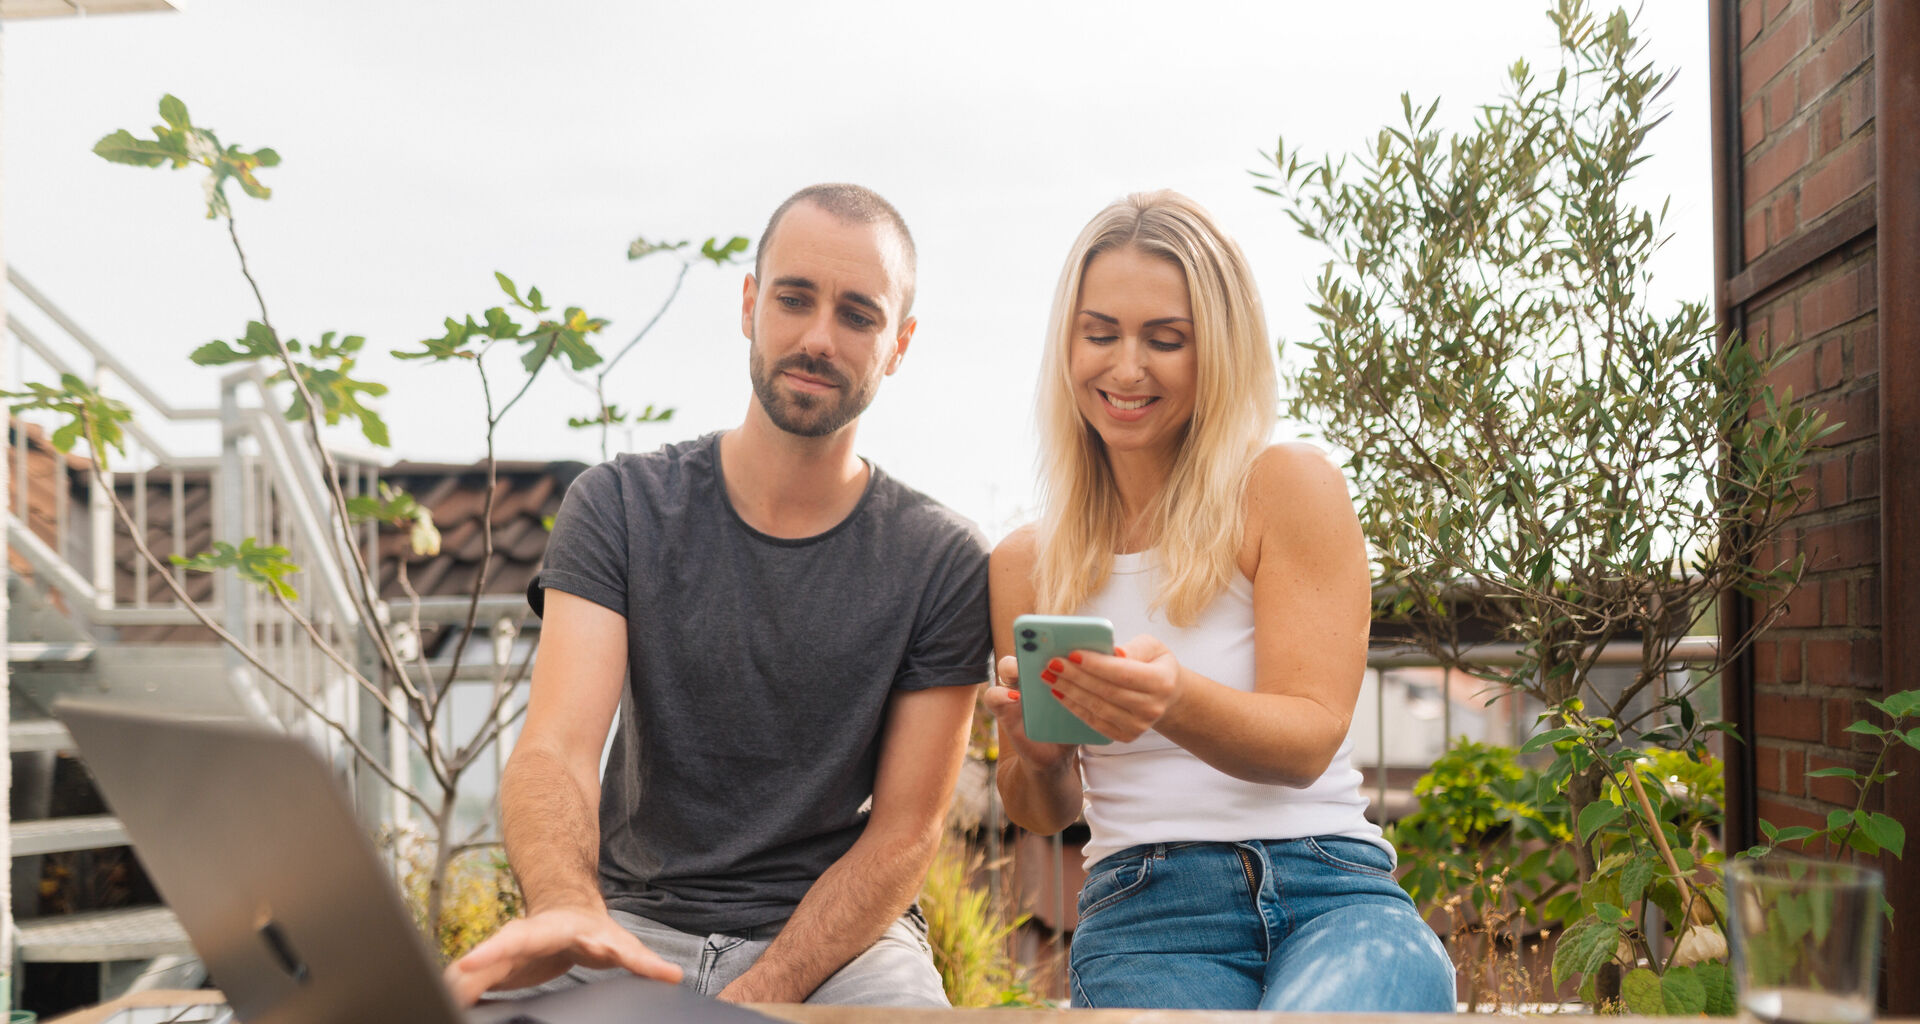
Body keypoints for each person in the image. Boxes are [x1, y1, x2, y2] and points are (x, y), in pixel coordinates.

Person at [445, 184, 992, 1008]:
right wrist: (567, 912)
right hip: (629, 925)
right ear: (749, 304)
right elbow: (555, 747)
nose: (817, 338)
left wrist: (757, 995)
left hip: (843, 951)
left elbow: (905, 834)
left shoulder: (941, 559)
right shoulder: (621, 506)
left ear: (900, 344)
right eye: (794, 299)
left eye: (858, 315)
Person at [983, 190, 1456, 1012]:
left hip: (1332, 892)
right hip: (1148, 910)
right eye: (1101, 334)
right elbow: (1045, 810)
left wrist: (1170, 699)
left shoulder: (1286, 488)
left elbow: (1308, 738)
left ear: (1222, 352)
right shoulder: (1026, 562)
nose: (1127, 368)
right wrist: (1036, 754)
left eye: (1166, 340)